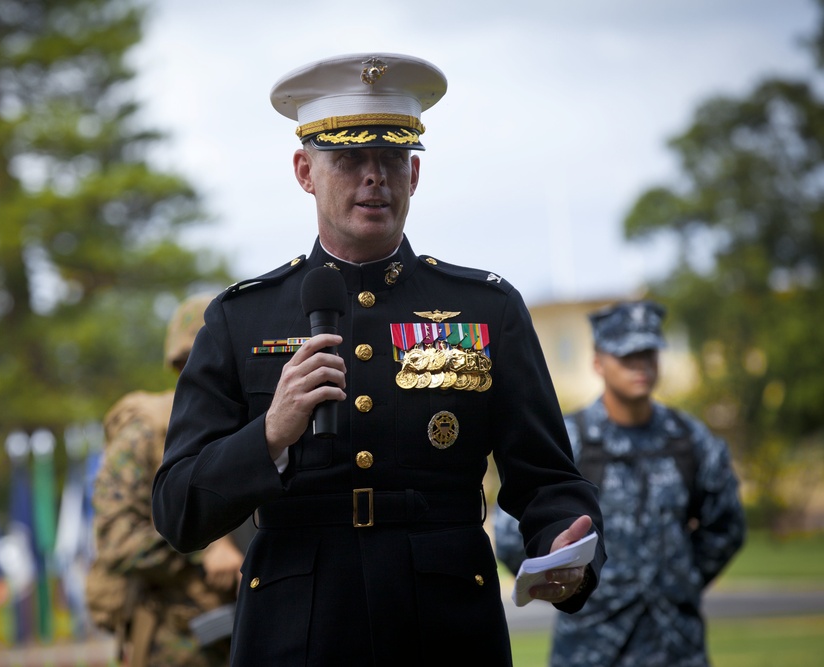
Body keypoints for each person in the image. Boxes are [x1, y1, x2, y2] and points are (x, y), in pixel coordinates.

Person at [151, 53, 606, 666]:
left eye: (391, 159)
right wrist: (269, 435)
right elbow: (177, 510)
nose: (374, 178)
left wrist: (565, 546)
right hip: (296, 637)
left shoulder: (486, 308)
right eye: (348, 160)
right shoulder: (241, 318)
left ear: (414, 175)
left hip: (445, 633)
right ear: (304, 171)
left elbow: (548, 480)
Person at [494, 300, 746, 667]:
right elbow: (510, 532)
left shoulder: (689, 438)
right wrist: (571, 582)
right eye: (627, 355)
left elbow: (727, 525)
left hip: (676, 644)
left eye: (648, 353)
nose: (640, 365)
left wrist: (679, 578)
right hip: (590, 645)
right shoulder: (567, 439)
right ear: (598, 361)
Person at [90, 293, 251, 667]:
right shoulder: (146, 432)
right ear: (181, 363)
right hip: (178, 637)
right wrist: (205, 551)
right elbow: (116, 538)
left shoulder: (264, 422)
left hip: (258, 624)